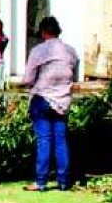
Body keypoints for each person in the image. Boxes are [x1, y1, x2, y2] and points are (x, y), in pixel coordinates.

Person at [21, 16, 80, 192]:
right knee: (61, 141)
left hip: (43, 99)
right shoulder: (71, 51)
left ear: (43, 32)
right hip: (62, 100)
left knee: (44, 140)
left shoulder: (39, 50)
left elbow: (28, 78)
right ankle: (63, 181)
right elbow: (74, 76)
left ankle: (41, 181)